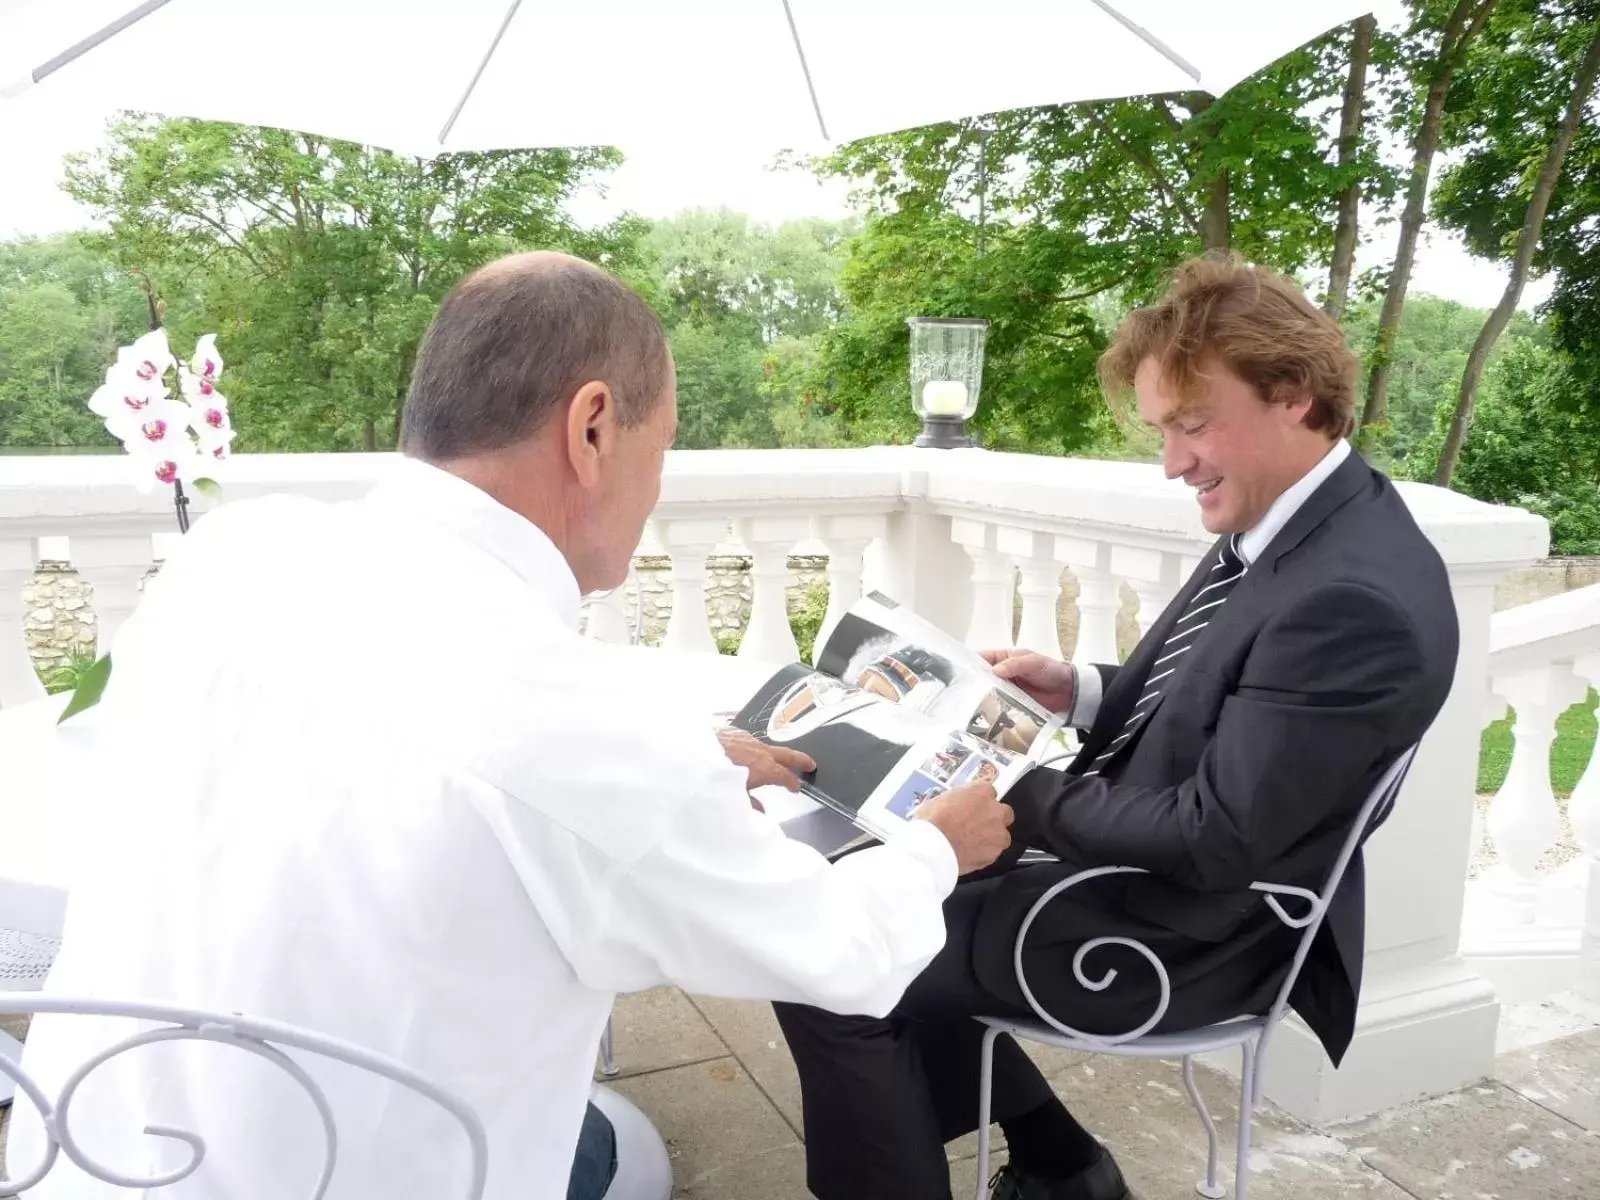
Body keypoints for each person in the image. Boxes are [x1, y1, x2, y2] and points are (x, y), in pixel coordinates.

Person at [4, 251, 1015, 1200]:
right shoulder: (584, 729)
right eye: (661, 449)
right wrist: (934, 845)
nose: (657, 491)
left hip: (93, 1158)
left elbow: (338, 744)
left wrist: (672, 772)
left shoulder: (231, 556)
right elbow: (838, 953)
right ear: (592, 428)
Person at [771, 254, 1460, 1200]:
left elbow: (1217, 840)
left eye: (1191, 423)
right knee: (868, 889)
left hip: (1183, 939)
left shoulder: (1350, 598)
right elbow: (1224, 701)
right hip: (1142, 880)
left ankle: (1031, 1166)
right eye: (1162, 430)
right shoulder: (1300, 524)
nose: (1174, 462)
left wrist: (1001, 785)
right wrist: (1077, 689)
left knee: (833, 954)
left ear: (1293, 394)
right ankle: (1066, 1170)